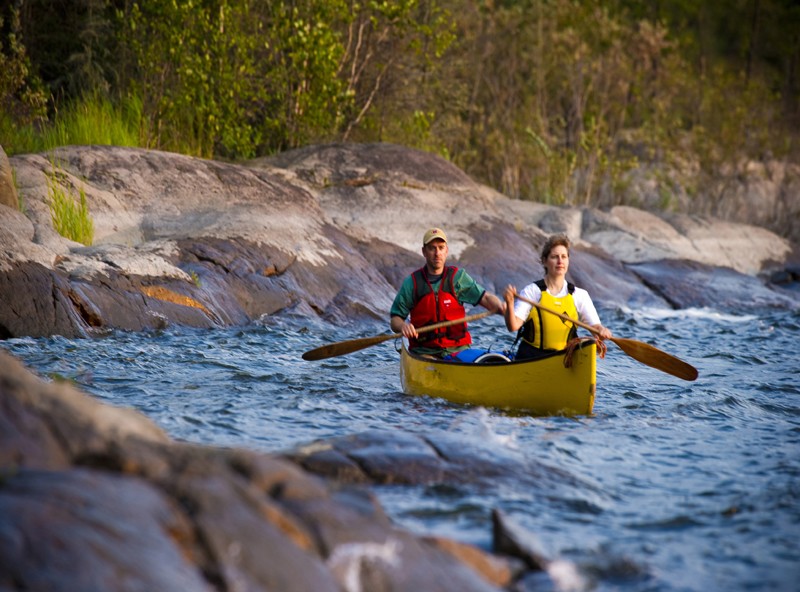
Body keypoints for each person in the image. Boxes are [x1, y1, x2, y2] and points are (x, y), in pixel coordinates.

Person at [390, 227, 505, 358]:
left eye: (440, 247)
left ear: (446, 251)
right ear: (424, 252)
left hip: (459, 350)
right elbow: (395, 319)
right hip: (425, 352)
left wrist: (500, 307)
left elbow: (485, 298)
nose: (437, 253)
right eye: (432, 248)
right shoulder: (412, 283)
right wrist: (403, 326)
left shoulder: (458, 278)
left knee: (490, 359)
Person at [503, 234, 612, 360]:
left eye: (564, 257)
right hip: (531, 357)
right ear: (544, 261)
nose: (560, 261)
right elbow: (513, 326)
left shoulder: (580, 295)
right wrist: (510, 304)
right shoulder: (532, 292)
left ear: (568, 260)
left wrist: (602, 330)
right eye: (555, 257)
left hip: (564, 359)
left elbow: (595, 329)